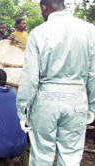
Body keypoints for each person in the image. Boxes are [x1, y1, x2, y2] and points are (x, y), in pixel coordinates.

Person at [16, 0, 95, 165]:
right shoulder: (90, 30)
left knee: (42, 155)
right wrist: (92, 106)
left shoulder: (38, 33)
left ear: (44, 8)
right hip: (77, 100)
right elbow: (93, 74)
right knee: (71, 155)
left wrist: (23, 109)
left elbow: (30, 78)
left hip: (46, 100)